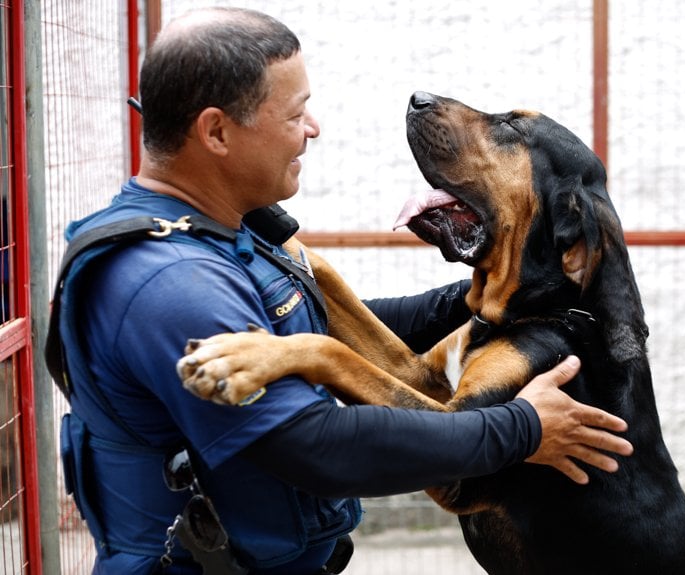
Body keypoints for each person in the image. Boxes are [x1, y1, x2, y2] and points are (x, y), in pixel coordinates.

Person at [49, 7, 633, 574]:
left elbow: (312, 317)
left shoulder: (224, 231)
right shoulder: (170, 282)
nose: (313, 128)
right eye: (294, 113)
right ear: (217, 131)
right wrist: (524, 428)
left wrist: (514, 289)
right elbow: (319, 446)